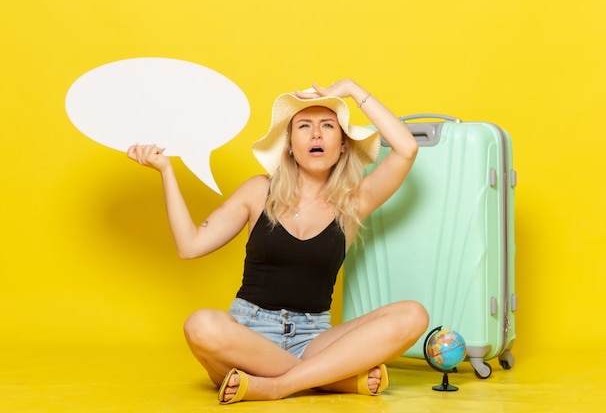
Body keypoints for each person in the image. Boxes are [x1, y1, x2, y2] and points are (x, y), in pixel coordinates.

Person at [127, 79, 429, 404]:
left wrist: (353, 92)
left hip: (314, 338)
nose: (316, 134)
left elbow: (406, 149)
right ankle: (330, 378)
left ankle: (276, 386)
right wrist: (166, 170)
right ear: (289, 145)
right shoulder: (259, 190)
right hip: (247, 335)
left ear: (342, 145)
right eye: (304, 126)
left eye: (327, 125)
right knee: (201, 325)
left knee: (413, 315)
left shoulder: (354, 202)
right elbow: (190, 246)